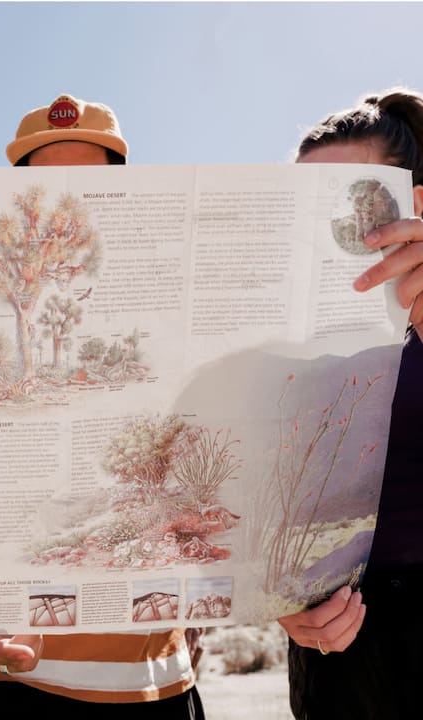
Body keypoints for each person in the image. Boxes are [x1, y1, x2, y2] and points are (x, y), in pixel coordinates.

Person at [0, 94, 206, 718]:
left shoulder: (171, 310)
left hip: (145, 683)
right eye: (44, 185)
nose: (65, 201)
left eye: (89, 185)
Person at [277, 87, 423, 719]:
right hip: (337, 638)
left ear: (413, 200)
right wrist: (278, 598)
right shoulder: (283, 335)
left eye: (355, 200)